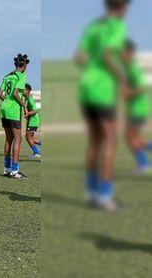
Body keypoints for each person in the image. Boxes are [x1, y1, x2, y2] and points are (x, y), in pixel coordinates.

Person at [74, 0, 130, 211]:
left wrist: (92, 71)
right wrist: (122, 79)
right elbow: (107, 56)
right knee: (110, 140)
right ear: (122, 6)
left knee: (95, 141)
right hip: (103, 91)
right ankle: (105, 196)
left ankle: (90, 191)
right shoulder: (116, 26)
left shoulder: (93, 26)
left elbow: (79, 57)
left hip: (86, 87)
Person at [0, 54, 30, 179]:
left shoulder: (7, 76)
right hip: (13, 111)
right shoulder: (21, 76)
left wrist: (6, 102)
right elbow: (16, 93)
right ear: (24, 65)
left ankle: (7, 169)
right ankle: (15, 171)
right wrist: (24, 106)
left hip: (4, 109)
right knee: (18, 139)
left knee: (8, 139)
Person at [122, 39, 151, 173]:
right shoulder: (127, 68)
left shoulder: (132, 68)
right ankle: (144, 164)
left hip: (137, 109)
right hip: (135, 108)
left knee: (129, 137)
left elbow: (140, 88)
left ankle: (144, 164)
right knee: (134, 138)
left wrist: (128, 94)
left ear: (128, 52)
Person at [23, 84, 41, 159]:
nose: (21, 91)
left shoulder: (30, 99)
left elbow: (35, 110)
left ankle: (37, 153)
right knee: (30, 138)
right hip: (31, 120)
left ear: (27, 91)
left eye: (22, 89)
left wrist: (27, 114)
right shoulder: (26, 99)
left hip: (33, 121)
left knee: (28, 137)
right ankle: (36, 152)